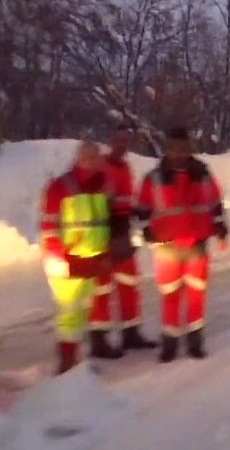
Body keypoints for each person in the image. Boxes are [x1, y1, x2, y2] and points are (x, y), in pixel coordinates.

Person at [134, 126, 229, 363]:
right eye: (174, 148)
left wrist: (220, 226)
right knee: (171, 295)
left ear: (189, 149)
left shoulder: (202, 174)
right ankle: (170, 342)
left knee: (196, 295)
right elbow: (142, 208)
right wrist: (145, 230)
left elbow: (215, 202)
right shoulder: (154, 178)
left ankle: (195, 341)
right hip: (166, 246)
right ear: (168, 149)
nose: (179, 153)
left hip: (197, 244)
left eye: (183, 148)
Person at [40, 140, 114, 374]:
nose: (99, 162)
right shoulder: (61, 186)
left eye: (98, 158)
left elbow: (102, 224)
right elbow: (49, 226)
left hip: (91, 259)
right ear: (85, 160)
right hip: (68, 260)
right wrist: (58, 257)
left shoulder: (101, 185)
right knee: (70, 313)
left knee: (82, 311)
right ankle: (66, 365)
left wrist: (105, 253)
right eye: (95, 158)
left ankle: (74, 362)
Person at [89, 125, 159, 355]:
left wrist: (139, 215)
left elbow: (128, 200)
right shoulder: (101, 167)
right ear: (110, 141)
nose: (122, 146)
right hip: (104, 236)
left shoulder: (126, 168)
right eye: (118, 140)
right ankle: (99, 340)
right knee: (102, 288)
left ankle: (131, 333)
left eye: (125, 141)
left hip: (123, 234)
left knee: (129, 283)